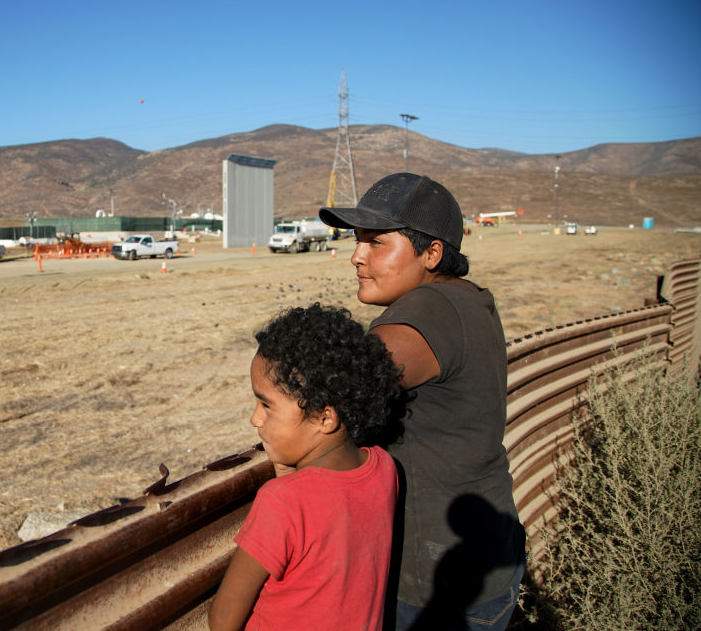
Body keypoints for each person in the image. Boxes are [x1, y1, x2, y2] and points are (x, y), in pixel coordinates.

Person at [319, 173, 525, 630]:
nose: (356, 256)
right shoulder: (467, 300)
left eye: (377, 244)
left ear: (432, 253)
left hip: (439, 583)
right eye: (357, 241)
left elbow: (336, 392)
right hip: (483, 556)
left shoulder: (426, 310)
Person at [209, 303, 401, 631]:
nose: (255, 419)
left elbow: (222, 620)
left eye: (266, 405)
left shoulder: (281, 502)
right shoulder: (385, 468)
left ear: (325, 418)